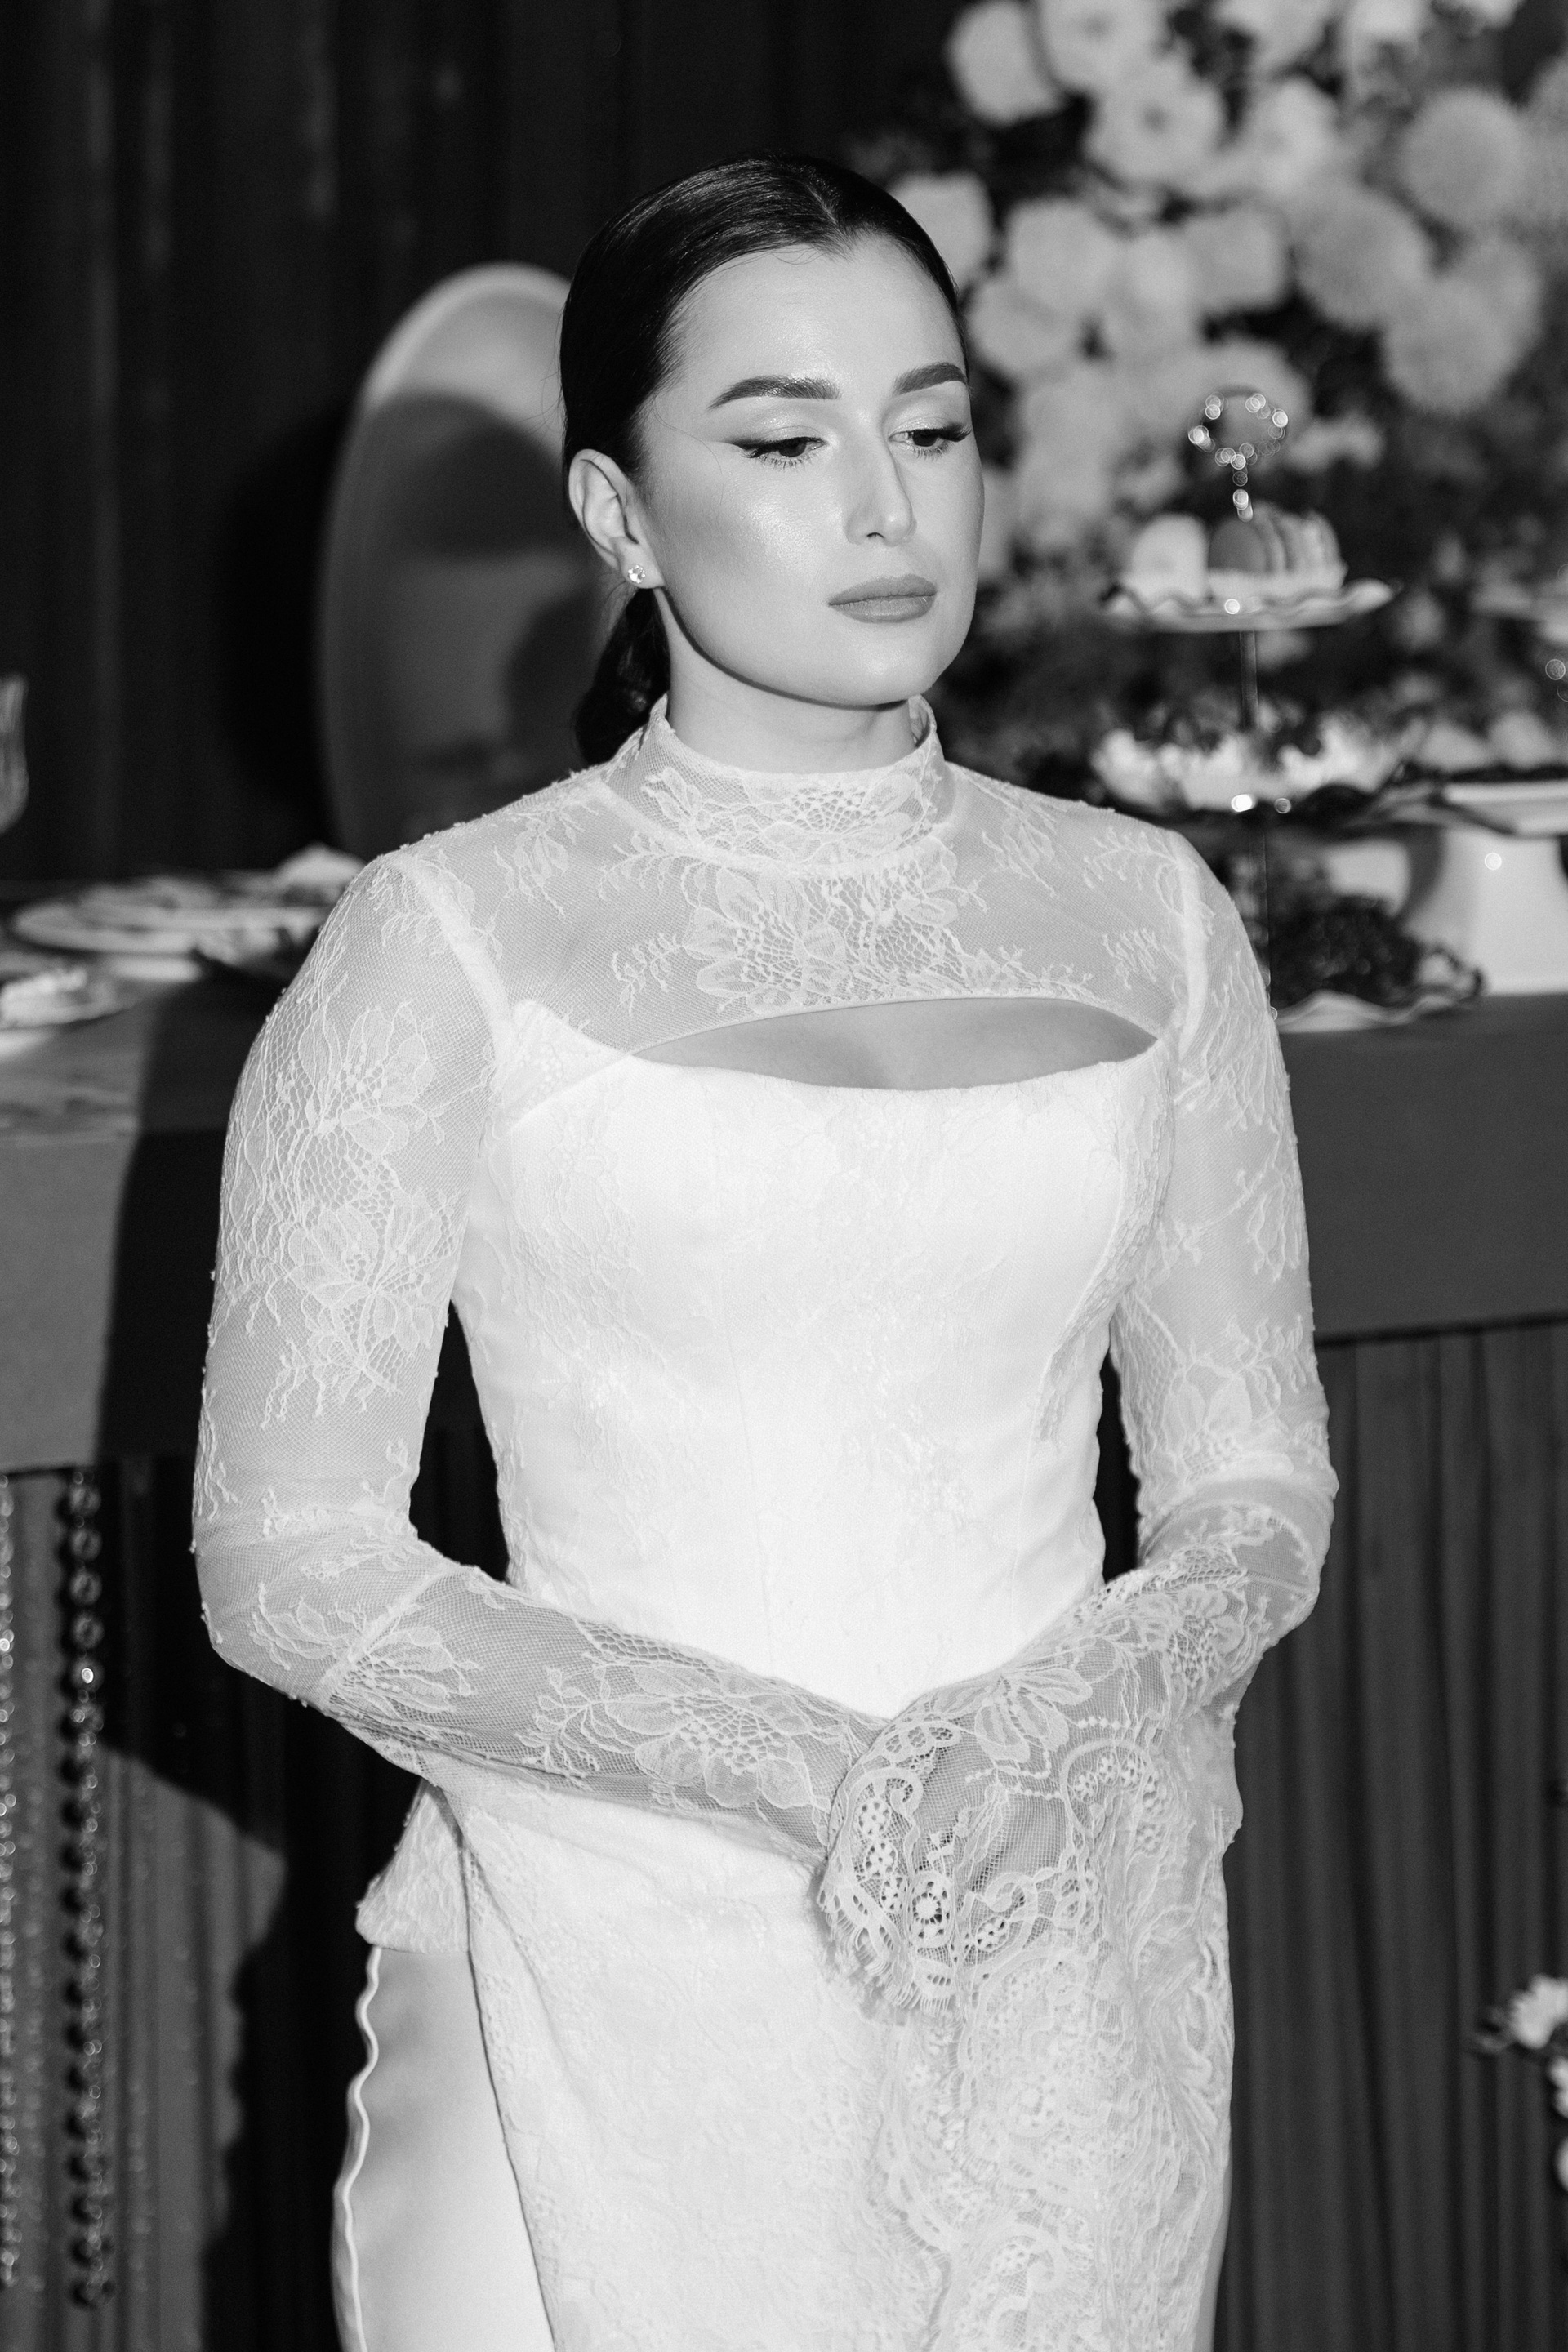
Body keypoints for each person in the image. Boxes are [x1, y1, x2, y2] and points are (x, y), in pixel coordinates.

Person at [194, 154, 1335, 2352]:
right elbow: (291, 1563)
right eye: (788, 443)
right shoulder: (448, 939)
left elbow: (1255, 1486)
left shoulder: (1148, 918)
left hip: (1056, 1946)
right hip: (601, 1947)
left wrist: (1066, 1726)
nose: (889, 509)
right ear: (619, 515)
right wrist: (821, 1781)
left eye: (933, 426)